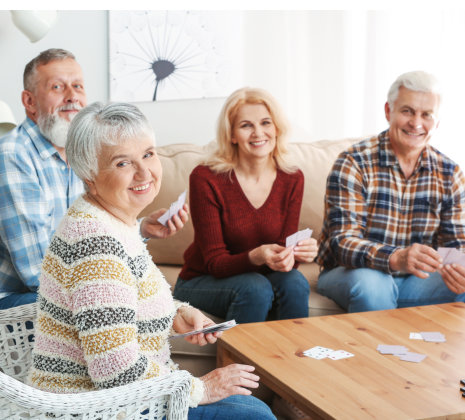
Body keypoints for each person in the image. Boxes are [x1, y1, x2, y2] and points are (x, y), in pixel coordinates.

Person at [27, 102, 275, 419]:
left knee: (251, 409)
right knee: (253, 415)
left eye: (148, 154)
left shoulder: (113, 221)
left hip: (116, 401)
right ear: (89, 175)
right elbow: (115, 369)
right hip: (95, 409)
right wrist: (201, 388)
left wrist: (176, 314)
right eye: (122, 163)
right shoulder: (96, 245)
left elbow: (120, 304)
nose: (144, 173)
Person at [0, 48, 187, 310]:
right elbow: (38, 273)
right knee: (111, 297)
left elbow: (90, 236)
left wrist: (142, 228)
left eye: (78, 86)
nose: (72, 96)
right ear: (29, 101)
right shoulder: (12, 156)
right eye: (57, 87)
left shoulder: (85, 152)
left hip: (65, 286)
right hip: (18, 302)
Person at [317, 70, 465, 313]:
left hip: (417, 281)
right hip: (353, 274)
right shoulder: (354, 162)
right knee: (374, 285)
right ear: (389, 111)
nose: (416, 123)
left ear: (437, 122)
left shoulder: (450, 173)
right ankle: (378, 352)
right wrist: (396, 257)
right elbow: (342, 243)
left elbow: (456, 247)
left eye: (426, 115)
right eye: (407, 111)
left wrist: (459, 270)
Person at [173, 87, 317, 324]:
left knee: (295, 282)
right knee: (255, 288)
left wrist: (297, 253)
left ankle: (293, 358)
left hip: (261, 277)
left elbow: (282, 251)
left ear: (276, 128)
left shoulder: (292, 177)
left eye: (265, 123)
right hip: (202, 280)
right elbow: (215, 263)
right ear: (232, 135)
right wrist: (256, 256)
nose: (258, 133)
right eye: (246, 125)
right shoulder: (206, 178)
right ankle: (237, 360)